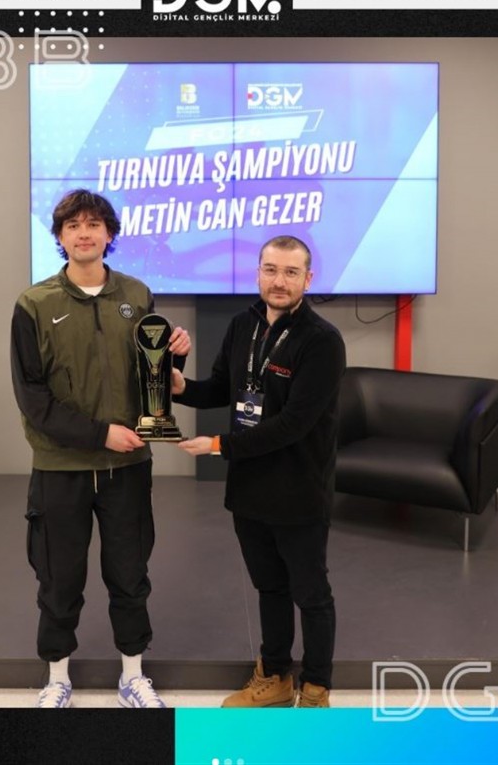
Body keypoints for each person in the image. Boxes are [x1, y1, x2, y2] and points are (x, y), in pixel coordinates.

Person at [11, 189, 190, 709]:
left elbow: (151, 377)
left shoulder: (136, 293)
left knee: (130, 574)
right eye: (73, 225)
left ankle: (133, 676)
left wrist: (174, 362)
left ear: (109, 234)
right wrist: (98, 434)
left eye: (93, 224)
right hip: (60, 468)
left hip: (126, 466)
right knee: (58, 578)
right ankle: (57, 678)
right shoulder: (34, 304)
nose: (84, 233)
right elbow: (32, 398)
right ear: (60, 237)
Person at [172, 235, 346, 708]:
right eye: (271, 270)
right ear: (257, 274)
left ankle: (316, 688)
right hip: (250, 489)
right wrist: (179, 386)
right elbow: (220, 390)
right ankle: (275, 676)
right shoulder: (242, 325)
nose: (279, 281)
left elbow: (293, 425)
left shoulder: (322, 341)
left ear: (308, 279)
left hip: (299, 489)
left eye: (291, 272)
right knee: (269, 587)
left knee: (311, 593)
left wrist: (218, 445)